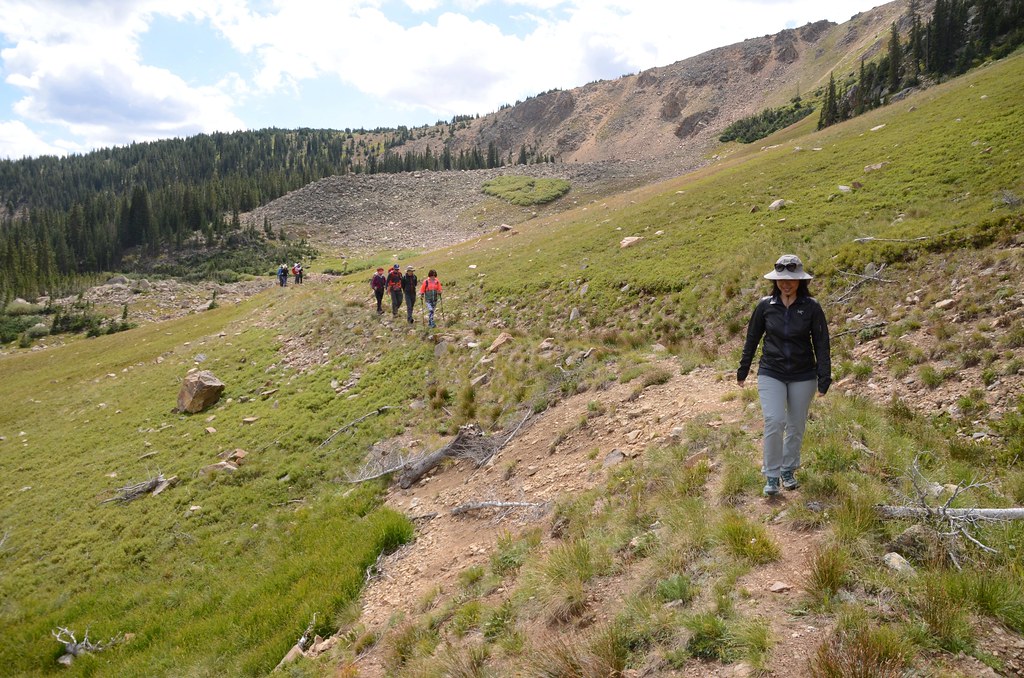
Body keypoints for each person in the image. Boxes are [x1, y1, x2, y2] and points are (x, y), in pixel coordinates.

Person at [737, 254, 831, 496]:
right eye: (781, 280)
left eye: (791, 279)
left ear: (801, 281)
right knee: (774, 420)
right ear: (775, 281)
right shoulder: (765, 306)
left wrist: (824, 376)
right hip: (771, 371)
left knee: (796, 425)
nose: (786, 284)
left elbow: (821, 343)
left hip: (803, 374)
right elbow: (752, 339)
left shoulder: (812, 308)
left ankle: (788, 469)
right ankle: (771, 475)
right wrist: (744, 369)